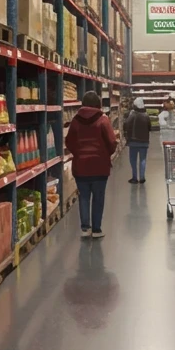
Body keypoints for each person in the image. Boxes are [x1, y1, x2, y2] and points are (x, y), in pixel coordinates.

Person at [64, 91, 117, 239]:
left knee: (84, 197)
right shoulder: (103, 120)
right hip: (100, 166)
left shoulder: (75, 120)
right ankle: (97, 229)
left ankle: (85, 228)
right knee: (98, 198)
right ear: (98, 104)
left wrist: (79, 153)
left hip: (81, 167)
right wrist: (106, 154)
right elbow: (112, 142)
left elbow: (69, 142)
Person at [124, 97, 152, 184]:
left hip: (133, 141)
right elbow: (149, 128)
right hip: (144, 142)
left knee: (133, 160)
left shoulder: (132, 115)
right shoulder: (146, 116)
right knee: (143, 160)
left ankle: (135, 178)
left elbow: (126, 125)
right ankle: (142, 177)